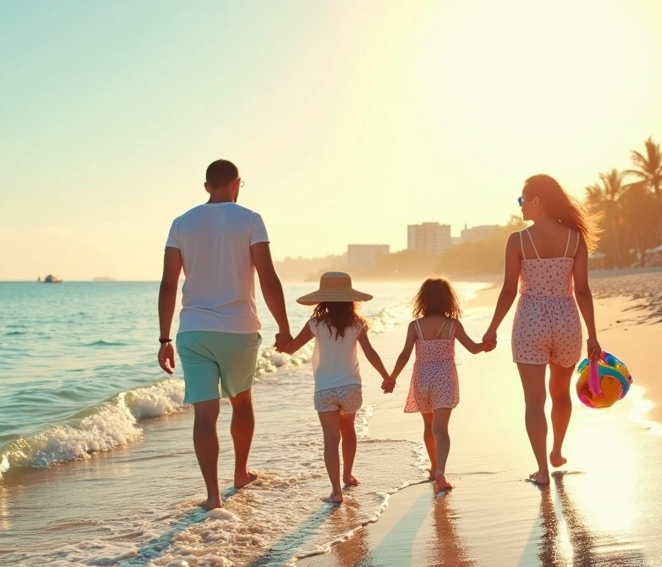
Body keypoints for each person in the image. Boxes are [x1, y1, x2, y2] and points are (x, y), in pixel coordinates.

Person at [158, 159, 292, 511]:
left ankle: (213, 496)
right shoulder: (250, 219)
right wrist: (284, 326)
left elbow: (169, 284)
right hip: (238, 329)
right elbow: (267, 276)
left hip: (193, 331)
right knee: (242, 402)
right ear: (236, 184)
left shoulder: (181, 223)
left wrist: (163, 339)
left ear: (207, 186)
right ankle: (240, 473)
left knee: (205, 415)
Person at [481, 174, 600, 487]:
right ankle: (557, 452)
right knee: (560, 395)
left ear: (537, 201)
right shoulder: (575, 239)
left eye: (522, 200)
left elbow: (508, 290)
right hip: (566, 319)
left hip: (531, 319)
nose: (520, 207)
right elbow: (583, 290)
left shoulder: (518, 241)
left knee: (534, 402)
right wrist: (593, 335)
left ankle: (542, 471)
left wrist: (492, 329)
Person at [280, 272, 392, 504]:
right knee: (348, 430)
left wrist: (280, 342)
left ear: (323, 300)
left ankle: (335, 492)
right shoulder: (357, 324)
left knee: (331, 439)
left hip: (324, 389)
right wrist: (386, 376)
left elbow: (290, 349)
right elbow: (370, 353)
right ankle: (348, 475)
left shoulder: (316, 324)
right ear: (350, 299)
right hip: (350, 387)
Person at [386, 277, 486, 492]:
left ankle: (433, 468)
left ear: (423, 299)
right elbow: (473, 348)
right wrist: (487, 345)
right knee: (441, 429)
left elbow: (404, 355)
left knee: (428, 426)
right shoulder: (452, 325)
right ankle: (440, 470)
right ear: (448, 300)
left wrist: (392, 377)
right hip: (445, 377)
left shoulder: (416, 326)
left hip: (423, 377)